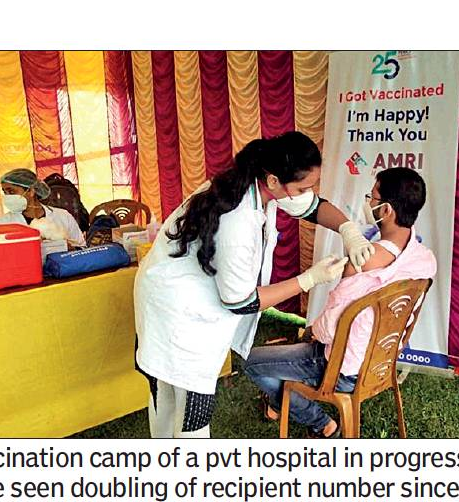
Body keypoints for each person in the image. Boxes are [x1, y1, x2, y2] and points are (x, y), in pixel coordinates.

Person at [134, 131, 376, 438]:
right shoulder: (237, 220)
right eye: (303, 187)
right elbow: (241, 301)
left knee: (172, 391)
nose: (308, 193)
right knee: (186, 402)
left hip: (172, 294)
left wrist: (348, 230)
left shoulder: (259, 182)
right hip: (177, 312)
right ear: (274, 180)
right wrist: (309, 279)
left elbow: (314, 207)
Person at [243, 167, 436, 438]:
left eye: (372, 196)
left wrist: (311, 331)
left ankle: (321, 423)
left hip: (341, 369)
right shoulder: (425, 259)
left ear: (386, 210)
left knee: (251, 361)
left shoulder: (362, 260)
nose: (368, 201)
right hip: (381, 362)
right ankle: (278, 403)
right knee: (288, 355)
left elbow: (328, 330)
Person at [0, 168, 86, 248]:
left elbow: (81, 248)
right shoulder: (2, 224)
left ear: (31, 191)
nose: (7, 197)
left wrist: (67, 247)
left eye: (11, 191)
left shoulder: (63, 217)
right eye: (5, 192)